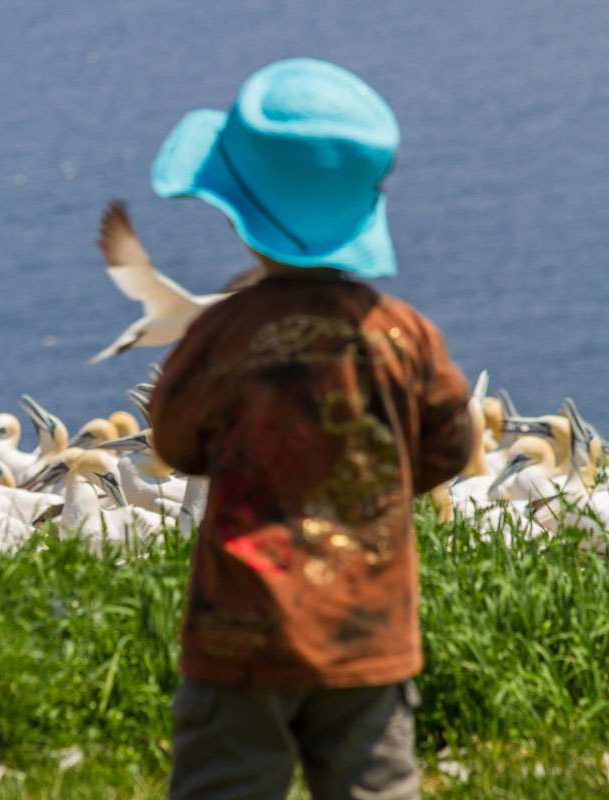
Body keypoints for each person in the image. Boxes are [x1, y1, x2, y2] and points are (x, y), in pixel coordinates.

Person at [146, 59, 474, 800]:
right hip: (369, 633)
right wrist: (376, 479)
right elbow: (453, 444)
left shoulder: (224, 333)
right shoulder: (406, 335)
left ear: (240, 211)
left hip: (241, 632)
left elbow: (170, 441)